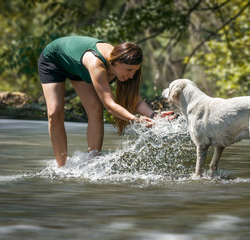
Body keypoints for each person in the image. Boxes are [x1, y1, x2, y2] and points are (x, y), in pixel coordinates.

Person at [38, 36, 172, 167]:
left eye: (135, 71)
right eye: (129, 70)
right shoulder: (97, 64)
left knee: (95, 108)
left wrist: (154, 115)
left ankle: (92, 162)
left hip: (78, 68)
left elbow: (133, 100)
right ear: (117, 62)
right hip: (54, 60)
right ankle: (62, 167)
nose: (132, 76)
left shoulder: (121, 67)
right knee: (55, 113)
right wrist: (135, 119)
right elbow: (110, 105)